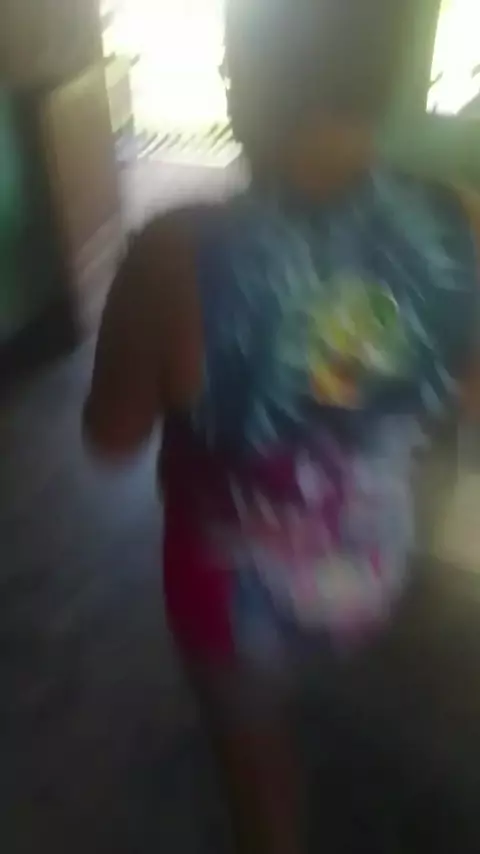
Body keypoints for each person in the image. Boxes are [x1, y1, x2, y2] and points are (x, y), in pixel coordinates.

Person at [84, 1, 480, 851]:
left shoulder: (170, 256)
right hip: (372, 564)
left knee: (259, 780)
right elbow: (471, 394)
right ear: (386, 78)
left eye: (232, 59)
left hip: (233, 599)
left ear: (250, 79)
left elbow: (110, 438)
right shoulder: (463, 221)